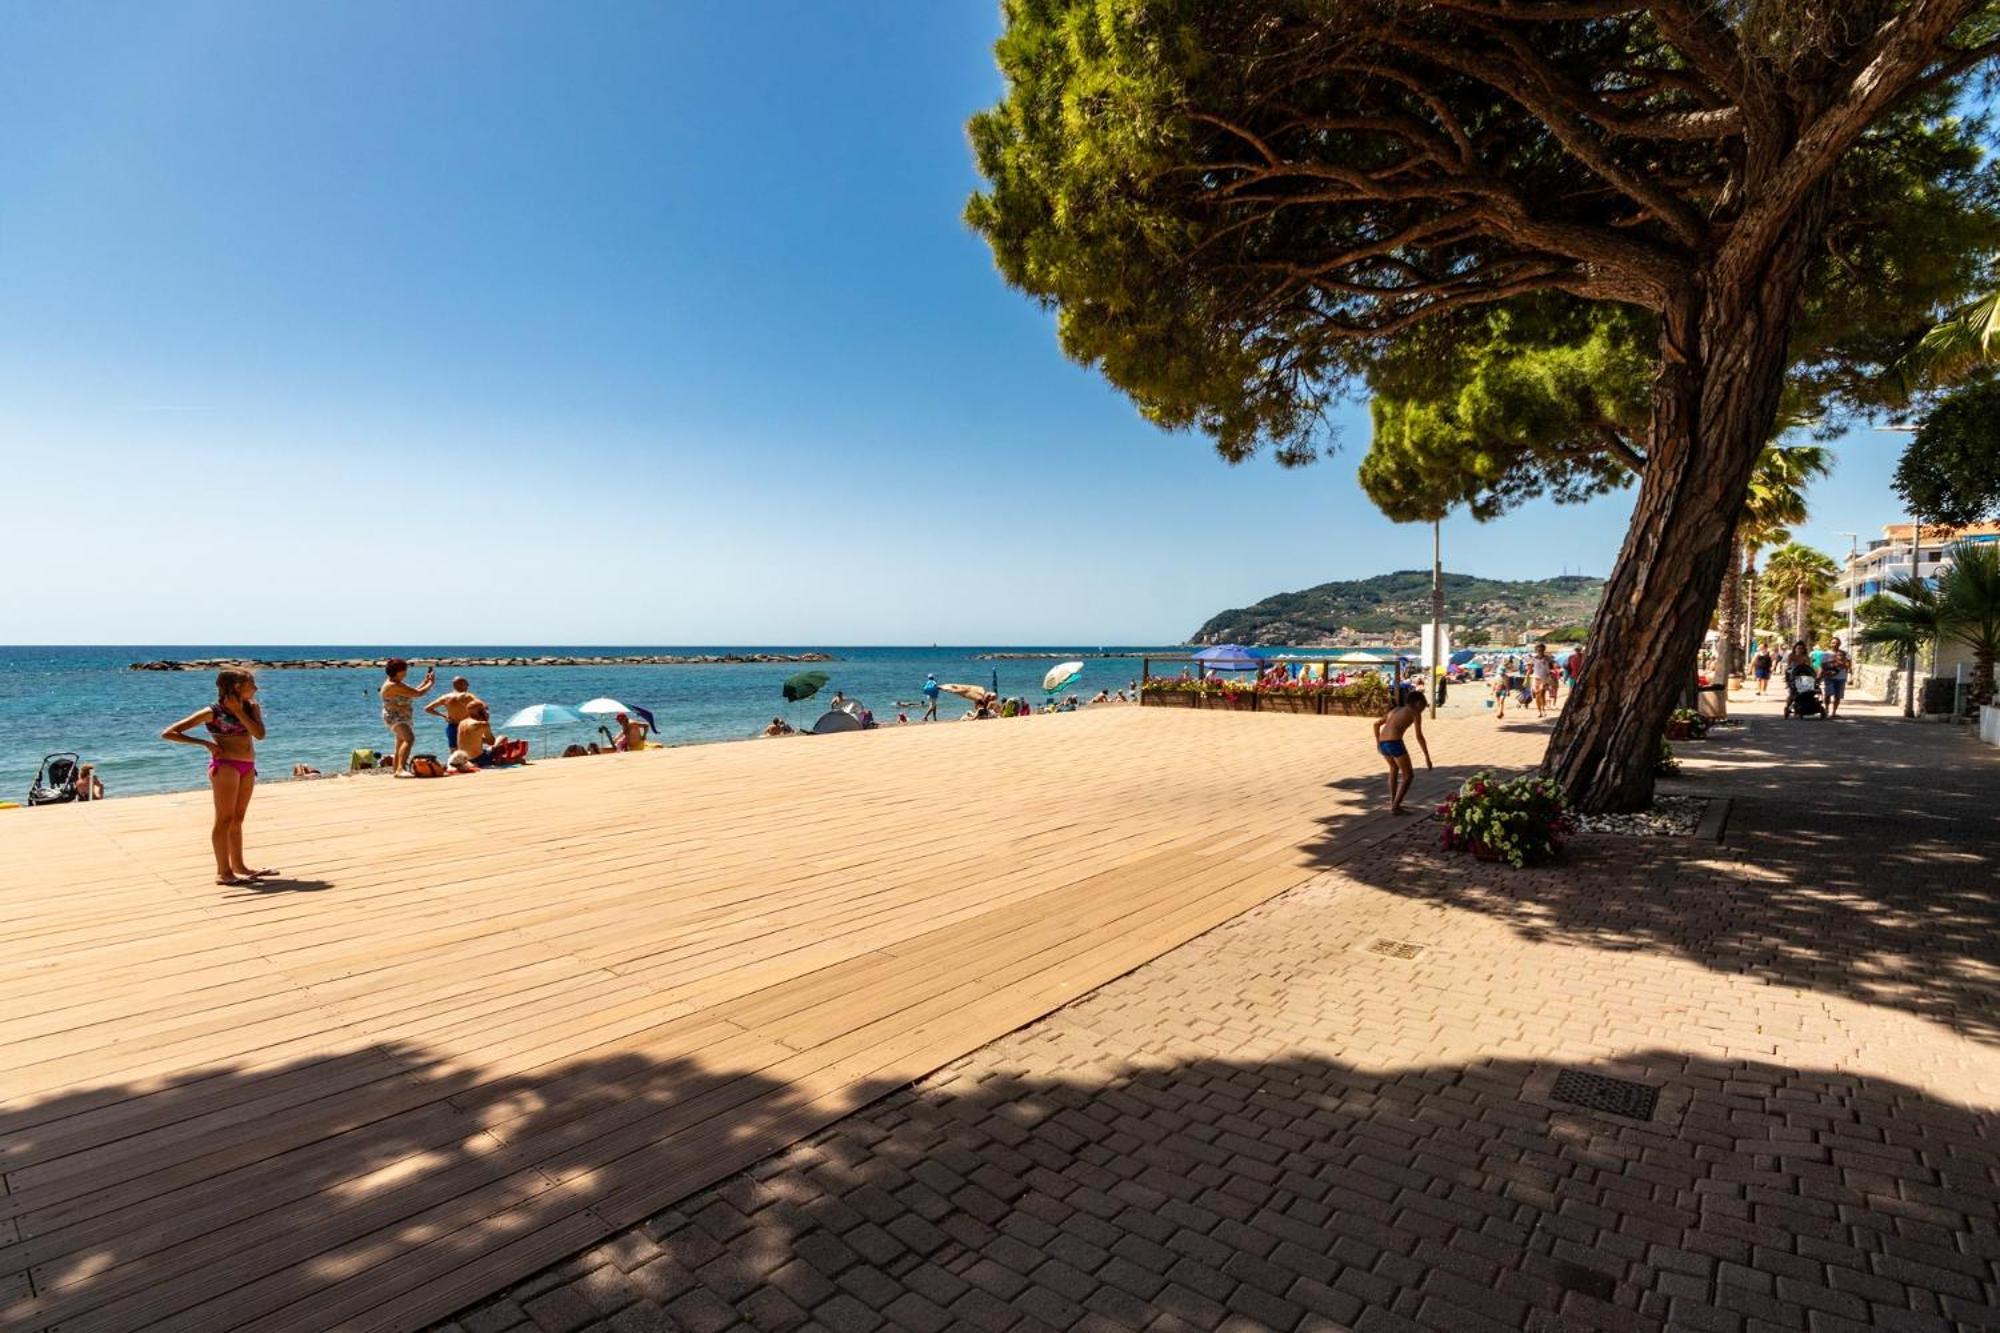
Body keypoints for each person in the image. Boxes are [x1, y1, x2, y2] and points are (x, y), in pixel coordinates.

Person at [161, 668, 275, 885]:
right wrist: (205, 743)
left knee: (238, 819)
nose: (256, 688)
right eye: (252, 684)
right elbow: (169, 732)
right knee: (224, 819)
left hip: (248, 766)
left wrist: (240, 711)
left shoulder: (251, 708)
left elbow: (259, 735)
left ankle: (240, 866)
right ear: (237, 686)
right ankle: (223, 872)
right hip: (225, 767)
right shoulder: (212, 712)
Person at [1373, 689, 1433, 815]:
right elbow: (1419, 736)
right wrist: (1427, 756)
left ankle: (1393, 801)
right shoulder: (1415, 713)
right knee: (1408, 776)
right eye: (1424, 704)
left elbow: (1376, 724)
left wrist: (1378, 742)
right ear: (1417, 703)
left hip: (1383, 743)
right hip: (1394, 743)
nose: (1424, 708)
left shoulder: (1395, 710)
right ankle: (1395, 806)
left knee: (1393, 769)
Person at [380, 658, 435, 775]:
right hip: (395, 716)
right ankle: (401, 769)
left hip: (403, 716)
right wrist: (431, 683)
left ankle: (396, 769)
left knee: (400, 743)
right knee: (409, 739)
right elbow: (418, 694)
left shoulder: (397, 683)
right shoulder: (392, 685)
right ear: (399, 671)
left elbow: (413, 692)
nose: (406, 672)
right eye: (405, 670)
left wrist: (425, 682)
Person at [423, 676, 480, 753]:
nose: (468, 685)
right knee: (469, 750)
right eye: (466, 684)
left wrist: (443, 716)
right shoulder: (468, 696)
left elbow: (427, 709)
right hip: (466, 727)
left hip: (452, 726)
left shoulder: (445, 697)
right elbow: (483, 706)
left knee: (453, 750)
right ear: (460, 684)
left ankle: (454, 764)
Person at [1821, 636, 1852, 717]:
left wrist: (1842, 664)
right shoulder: (1826, 654)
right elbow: (1823, 665)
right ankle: (1827, 708)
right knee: (1828, 693)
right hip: (1829, 677)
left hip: (1841, 677)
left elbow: (1848, 665)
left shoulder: (1845, 654)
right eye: (1833, 643)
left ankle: (1834, 712)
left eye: (1837, 643)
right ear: (1830, 644)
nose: (1835, 644)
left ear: (1840, 644)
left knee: (1838, 696)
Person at [1528, 642, 1557, 716]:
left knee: (1542, 694)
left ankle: (1543, 709)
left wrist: (1551, 673)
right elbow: (1529, 669)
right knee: (1537, 694)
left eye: (1541, 649)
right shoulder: (1533, 659)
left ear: (1544, 650)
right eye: (1538, 649)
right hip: (1536, 678)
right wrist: (1527, 677)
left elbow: (1552, 667)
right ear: (1536, 650)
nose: (1540, 651)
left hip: (1545, 678)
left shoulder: (1548, 658)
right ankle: (1539, 711)